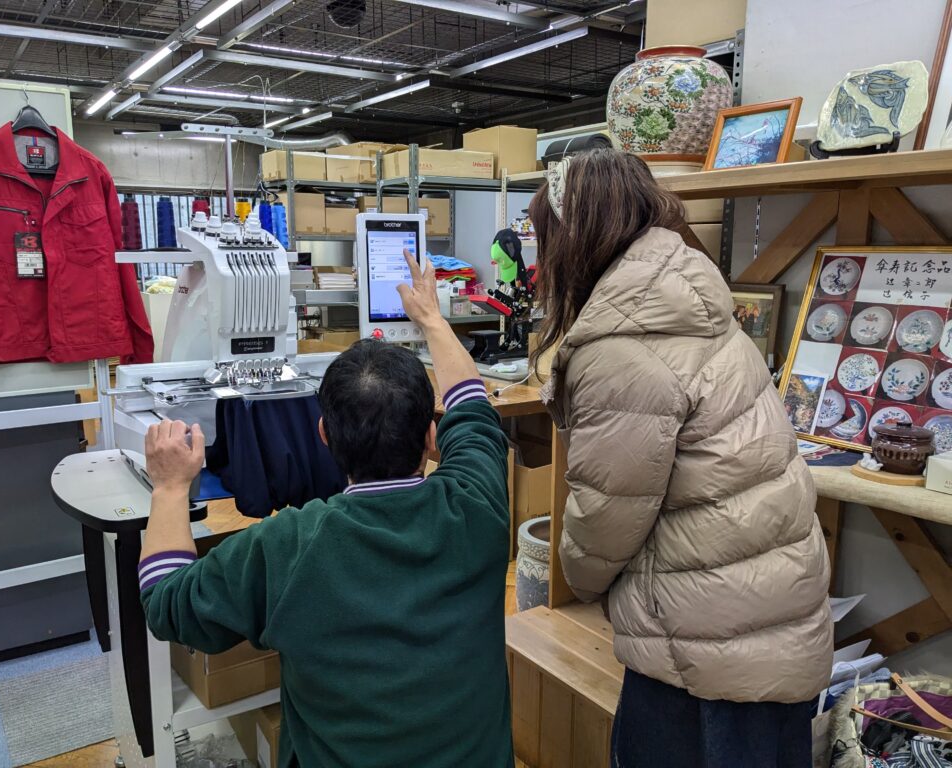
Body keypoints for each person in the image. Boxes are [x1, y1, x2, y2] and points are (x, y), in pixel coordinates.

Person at [137, 251, 514, 768]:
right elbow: (470, 402)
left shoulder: (285, 547)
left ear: (324, 437)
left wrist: (170, 488)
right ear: (431, 437)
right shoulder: (477, 505)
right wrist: (429, 317)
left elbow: (165, 604)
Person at [530, 150, 832, 768]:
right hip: (761, 614)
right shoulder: (684, 293)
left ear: (575, 236)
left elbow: (606, 517)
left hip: (706, 636)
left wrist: (579, 576)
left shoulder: (622, 347)